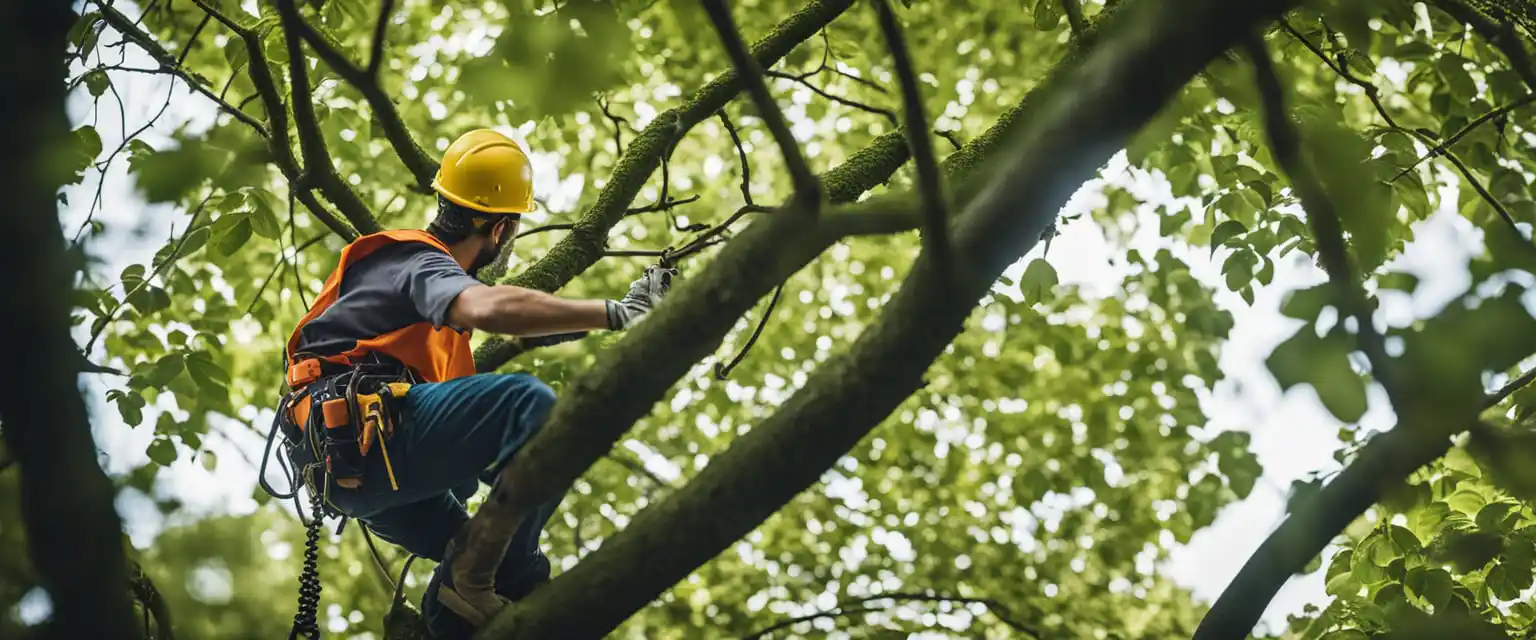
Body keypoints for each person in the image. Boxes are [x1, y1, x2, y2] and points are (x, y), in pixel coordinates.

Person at [271, 128, 675, 638]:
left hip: (361, 471)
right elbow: (488, 308)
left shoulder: (428, 323)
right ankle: (467, 583)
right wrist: (618, 313)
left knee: (518, 572)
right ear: (501, 229)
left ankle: (452, 615)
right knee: (530, 407)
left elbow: (513, 332)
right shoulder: (418, 260)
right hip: (364, 435)